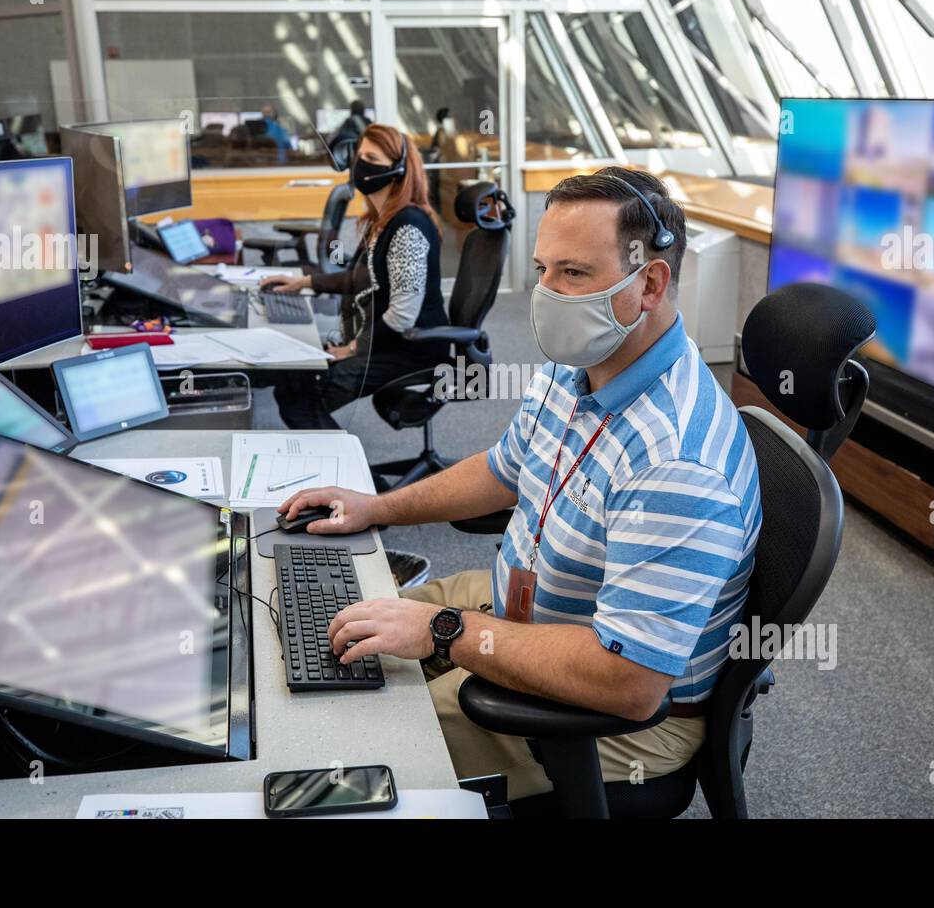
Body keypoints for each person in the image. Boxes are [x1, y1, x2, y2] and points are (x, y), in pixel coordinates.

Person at [278, 167, 763, 800]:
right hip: (521, 610)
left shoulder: (678, 462)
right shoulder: (581, 367)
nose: (548, 293)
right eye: (542, 271)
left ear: (650, 283)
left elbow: (629, 681)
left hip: (616, 717)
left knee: (340, 751)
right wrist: (378, 507)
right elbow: (503, 469)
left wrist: (446, 632)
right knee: (321, 632)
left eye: (575, 274)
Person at [262, 123, 451, 430]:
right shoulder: (383, 219)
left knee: (300, 397)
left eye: (373, 159)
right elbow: (365, 277)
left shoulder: (409, 227)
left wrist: (353, 348)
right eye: (360, 155)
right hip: (390, 340)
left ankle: (353, 476)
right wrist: (306, 283)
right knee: (294, 385)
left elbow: (403, 314)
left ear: (399, 169)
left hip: (411, 348)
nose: (361, 165)